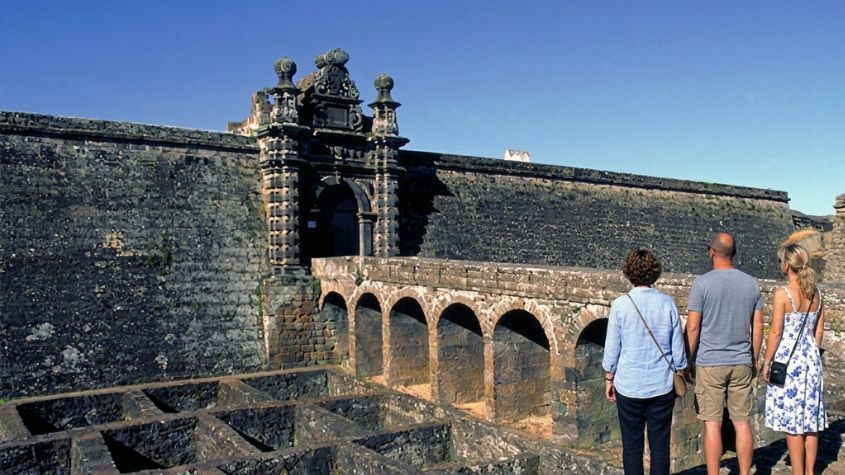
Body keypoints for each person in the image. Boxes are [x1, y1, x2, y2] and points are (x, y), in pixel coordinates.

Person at [685, 232, 764, 475]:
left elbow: (693, 326)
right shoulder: (751, 283)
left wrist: (688, 359)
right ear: (734, 254)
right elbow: (758, 326)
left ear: (712, 252)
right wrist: (753, 357)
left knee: (712, 425)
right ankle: (743, 472)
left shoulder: (702, 283)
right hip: (741, 360)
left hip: (710, 362)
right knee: (742, 422)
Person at [603, 249, 687, 475]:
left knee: (631, 447)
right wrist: (679, 370)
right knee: (660, 446)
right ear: (654, 273)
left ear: (629, 273)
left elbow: (612, 348)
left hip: (629, 385)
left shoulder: (620, 304)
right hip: (661, 385)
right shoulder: (667, 303)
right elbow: (677, 348)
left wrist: (609, 378)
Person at [762, 243, 827, 475]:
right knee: (810, 421)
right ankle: (810, 471)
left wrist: (767, 362)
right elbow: (818, 332)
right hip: (811, 358)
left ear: (787, 264)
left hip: (789, 362)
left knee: (793, 423)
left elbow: (776, 332)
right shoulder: (817, 293)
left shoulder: (783, 293)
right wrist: (811, 353)